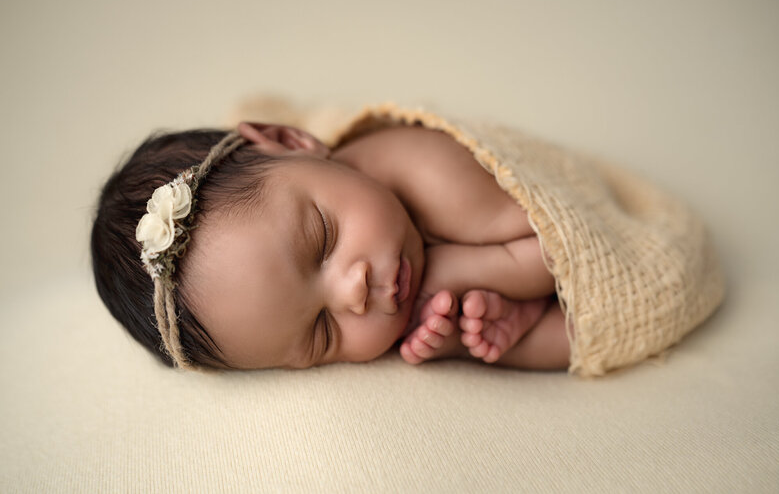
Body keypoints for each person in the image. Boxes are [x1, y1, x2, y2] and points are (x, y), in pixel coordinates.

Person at [91, 102, 724, 376]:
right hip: (503, 261)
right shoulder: (368, 250)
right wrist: (457, 332)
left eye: (322, 240)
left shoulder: (427, 172)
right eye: (321, 333)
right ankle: (513, 322)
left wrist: (452, 273)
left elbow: (564, 246)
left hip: (555, 224)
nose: (355, 294)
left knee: (611, 314)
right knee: (483, 343)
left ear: (291, 141)